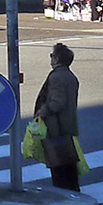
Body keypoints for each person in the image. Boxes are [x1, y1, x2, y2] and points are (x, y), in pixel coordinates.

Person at [34, 43, 82, 191]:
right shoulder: (70, 76)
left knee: (58, 162)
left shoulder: (56, 77)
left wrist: (44, 110)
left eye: (52, 55)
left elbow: (57, 102)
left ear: (57, 59)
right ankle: (72, 188)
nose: (51, 58)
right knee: (68, 161)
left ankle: (64, 191)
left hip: (57, 126)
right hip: (67, 125)